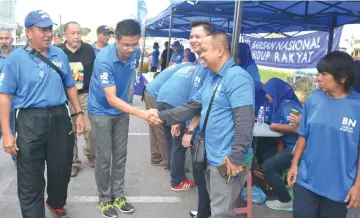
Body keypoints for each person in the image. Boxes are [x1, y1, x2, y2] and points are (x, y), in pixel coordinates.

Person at [153, 32, 255, 218]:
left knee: (221, 213)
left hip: (227, 160)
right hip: (211, 156)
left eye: (205, 50)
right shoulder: (213, 78)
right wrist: (160, 116)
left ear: (220, 50)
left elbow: (245, 121)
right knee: (216, 208)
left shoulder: (237, 77)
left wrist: (236, 156)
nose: (200, 55)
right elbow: (191, 106)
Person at [0, 10, 85, 218]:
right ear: (29, 32)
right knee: (30, 176)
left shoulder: (59, 54)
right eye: (42, 29)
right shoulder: (16, 59)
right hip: (30, 120)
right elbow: (5, 97)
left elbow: (70, 85)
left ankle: (55, 202)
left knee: (61, 170)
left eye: (49, 29)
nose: (47, 34)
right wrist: (7, 134)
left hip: (59, 118)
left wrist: (78, 113)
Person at [88, 19, 161, 217]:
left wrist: (128, 99)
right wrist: (142, 113)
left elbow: (128, 80)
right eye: (125, 44)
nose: (130, 49)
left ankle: (118, 195)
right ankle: (105, 199)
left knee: (120, 155)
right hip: (101, 111)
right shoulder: (104, 59)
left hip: (122, 110)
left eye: (134, 43)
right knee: (104, 158)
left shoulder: (136, 54)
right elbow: (110, 98)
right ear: (116, 40)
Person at [287, 51, 360, 218]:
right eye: (318, 73)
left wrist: (358, 186)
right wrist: (294, 164)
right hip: (306, 181)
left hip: (338, 188)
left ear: (342, 78)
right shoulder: (314, 99)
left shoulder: (357, 107)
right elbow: (303, 135)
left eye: (324, 74)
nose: (318, 78)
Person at [59, 21, 96, 177]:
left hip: (85, 95)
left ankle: (91, 153)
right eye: (72, 33)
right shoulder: (58, 52)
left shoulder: (88, 50)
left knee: (90, 128)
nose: (76, 36)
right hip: (64, 97)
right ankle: (73, 162)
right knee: (69, 132)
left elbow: (95, 73)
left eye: (78, 33)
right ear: (65, 35)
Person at [259, 78, 302, 211]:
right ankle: (277, 186)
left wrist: (275, 125)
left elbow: (297, 128)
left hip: (297, 147)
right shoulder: (281, 104)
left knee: (267, 167)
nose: (267, 96)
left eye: (269, 92)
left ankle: (285, 200)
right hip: (288, 144)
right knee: (266, 156)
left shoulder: (289, 106)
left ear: (276, 92)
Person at [0, 28, 16, 162]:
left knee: (17, 133)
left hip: (17, 104)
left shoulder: (20, 56)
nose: (4, 41)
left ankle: (19, 161)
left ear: (12, 40)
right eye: (1, 39)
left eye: (6, 38)